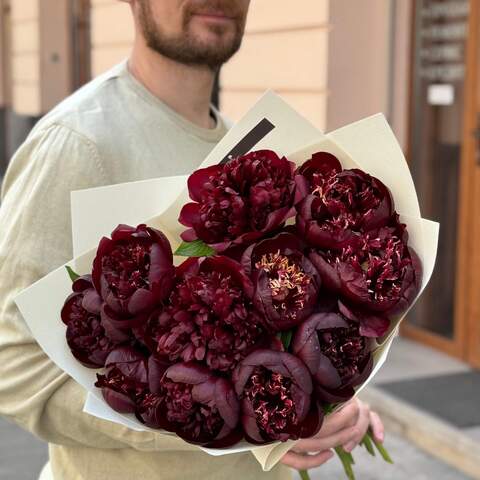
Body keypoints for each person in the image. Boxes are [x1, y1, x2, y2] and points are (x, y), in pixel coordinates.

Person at [0, 1, 384, 479]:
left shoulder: (247, 151)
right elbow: (15, 369)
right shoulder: (78, 144)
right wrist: (200, 417)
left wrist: (322, 401)